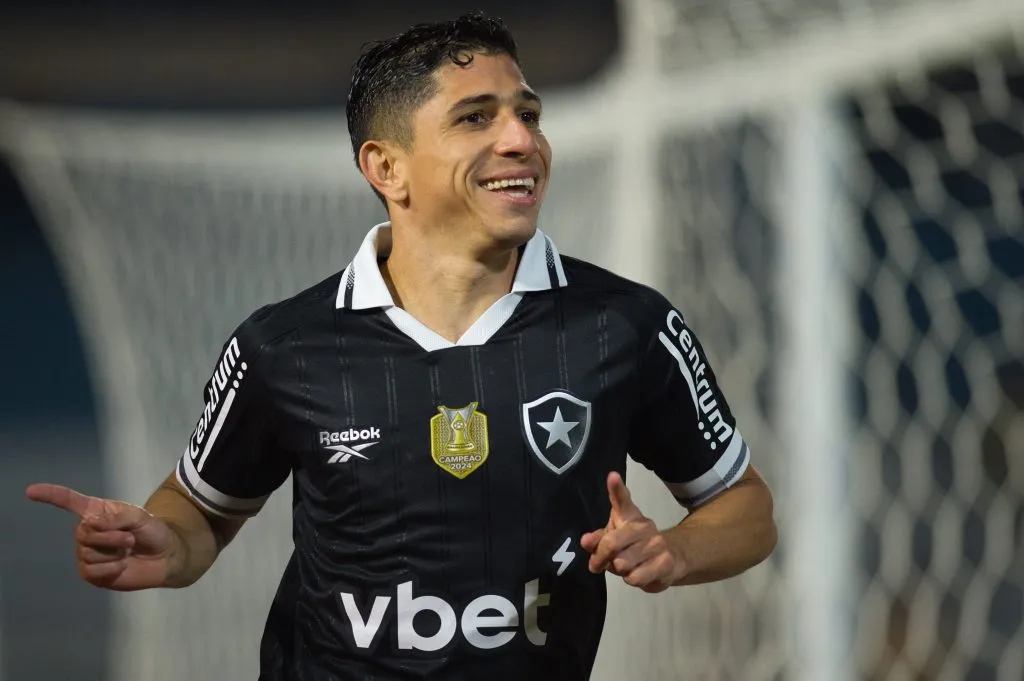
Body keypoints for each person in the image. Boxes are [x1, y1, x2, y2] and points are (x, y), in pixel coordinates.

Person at [26, 12, 777, 681]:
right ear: (387, 168)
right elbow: (200, 508)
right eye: (476, 118)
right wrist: (167, 542)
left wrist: (677, 551)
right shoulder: (284, 345)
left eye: (528, 114)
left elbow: (745, 509)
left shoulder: (627, 325)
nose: (521, 139)